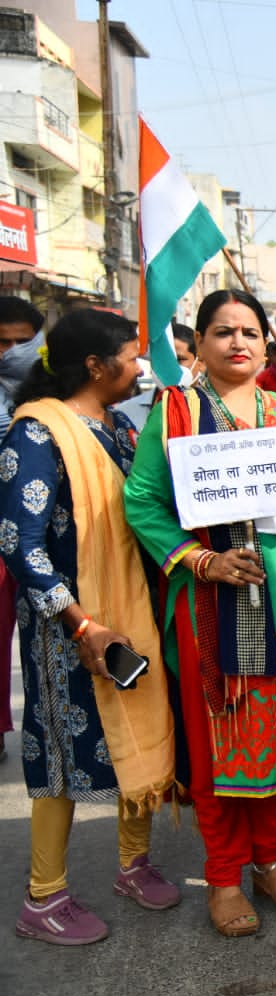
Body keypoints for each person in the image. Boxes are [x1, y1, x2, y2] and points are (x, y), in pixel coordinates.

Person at [124, 288, 276, 939]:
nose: (237, 342)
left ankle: (270, 860)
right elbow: (144, 500)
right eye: (222, 331)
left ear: (267, 340)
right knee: (220, 744)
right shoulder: (179, 411)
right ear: (203, 343)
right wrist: (199, 561)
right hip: (214, 609)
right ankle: (222, 874)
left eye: (249, 330)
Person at [4, 309, 180, 945]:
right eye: (131, 358)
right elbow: (20, 546)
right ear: (95, 366)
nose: (140, 368)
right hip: (66, 628)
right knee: (59, 756)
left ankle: (132, 864)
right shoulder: (35, 436)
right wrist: (85, 627)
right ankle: (43, 898)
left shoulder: (121, 430)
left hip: (129, 610)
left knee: (141, 729)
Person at [0, 294, 45, 764]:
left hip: (43, 540)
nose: (10, 353)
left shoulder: (51, 392)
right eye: (2, 343)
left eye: (21, 342)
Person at [116, 322, 198, 432]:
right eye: (162, 361)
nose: (169, 369)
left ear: (200, 361)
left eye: (179, 360)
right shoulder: (125, 413)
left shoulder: (216, 410)